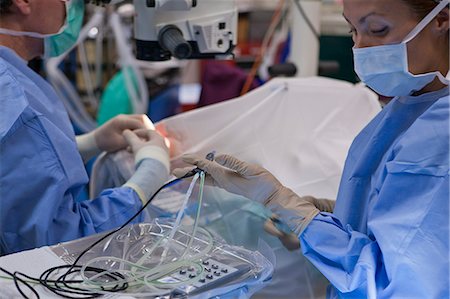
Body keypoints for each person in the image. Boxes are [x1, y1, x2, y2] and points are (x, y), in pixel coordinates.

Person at [174, 0, 450, 297]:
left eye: (377, 29)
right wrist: (325, 214)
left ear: (441, 19)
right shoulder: (412, 105)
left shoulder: (440, 133)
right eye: (352, 31)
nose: (361, 48)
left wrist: (300, 218)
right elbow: (400, 212)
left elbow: (394, 284)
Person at [0, 0, 170, 255]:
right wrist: (147, 180)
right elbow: (58, 245)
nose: (77, 9)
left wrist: (88, 144)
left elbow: (11, 166)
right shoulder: (15, 98)